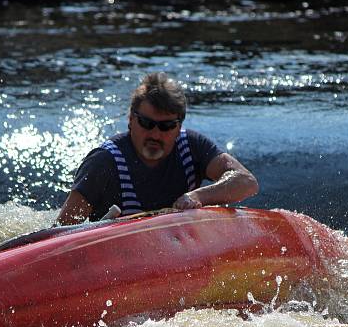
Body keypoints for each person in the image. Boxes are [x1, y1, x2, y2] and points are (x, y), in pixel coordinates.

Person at [56, 72, 259, 225]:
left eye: (166, 126)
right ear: (131, 120)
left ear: (179, 127)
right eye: (146, 123)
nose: (155, 134)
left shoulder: (192, 147)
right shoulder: (104, 162)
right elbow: (59, 232)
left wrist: (197, 197)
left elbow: (246, 182)